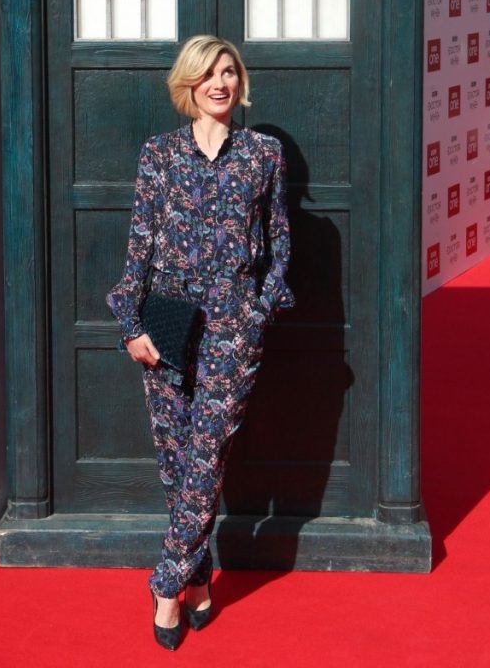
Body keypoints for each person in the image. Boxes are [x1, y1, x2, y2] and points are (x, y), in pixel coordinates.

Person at [106, 35, 294, 650]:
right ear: (188, 83)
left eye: (230, 72)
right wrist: (130, 323)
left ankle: (164, 584)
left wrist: (258, 310)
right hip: (166, 313)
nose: (221, 83)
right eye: (209, 73)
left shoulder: (263, 154)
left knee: (208, 451)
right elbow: (139, 245)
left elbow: (279, 243)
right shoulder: (158, 154)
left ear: (240, 82)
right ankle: (199, 575)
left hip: (233, 320)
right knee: (176, 457)